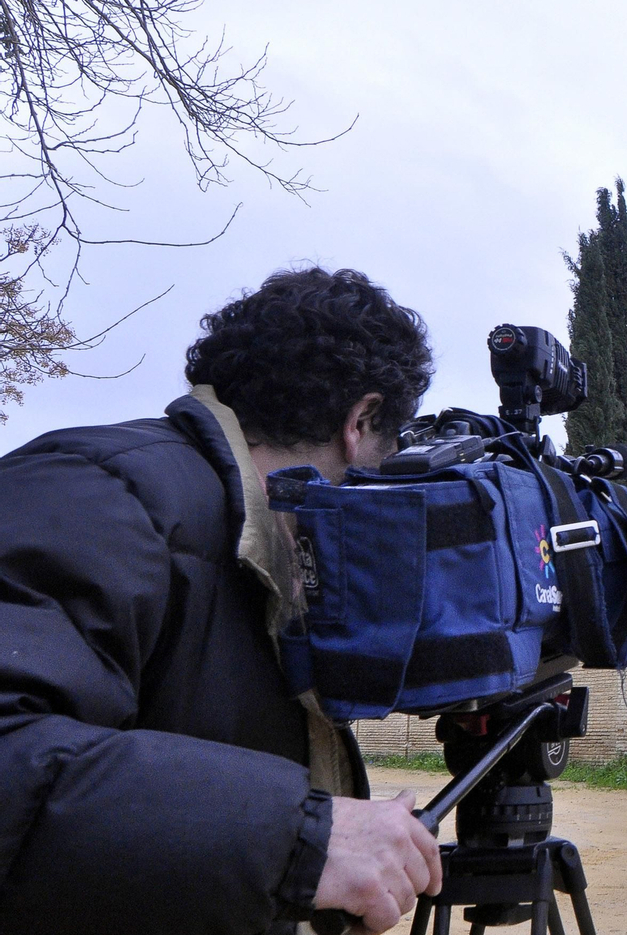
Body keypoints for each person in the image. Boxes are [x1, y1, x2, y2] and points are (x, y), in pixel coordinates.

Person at [0, 267, 444, 935]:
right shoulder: (99, 491)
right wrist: (297, 838)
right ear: (361, 420)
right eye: (391, 445)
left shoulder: (252, 543)